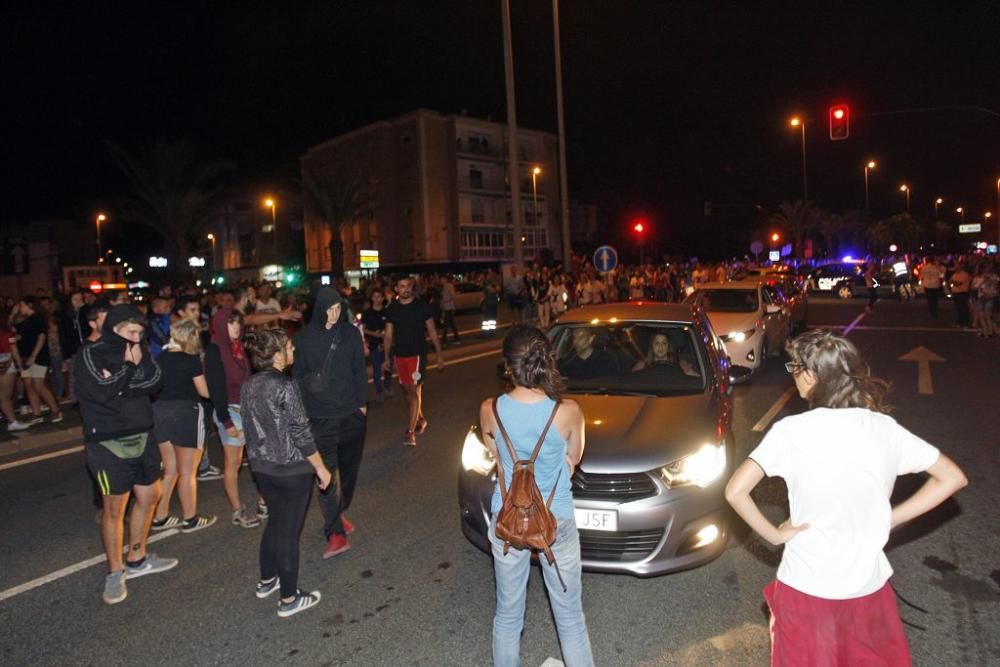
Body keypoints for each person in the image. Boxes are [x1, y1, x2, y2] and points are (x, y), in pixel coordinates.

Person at [725, 329, 968, 665]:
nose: (792, 377)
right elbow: (952, 477)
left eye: (792, 368)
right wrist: (890, 516)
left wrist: (776, 535)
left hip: (806, 586)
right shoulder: (884, 428)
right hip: (868, 588)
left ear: (810, 375)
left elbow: (735, 491)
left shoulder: (790, 432)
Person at [478, 326, 594, 667]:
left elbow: (493, 453)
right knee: (570, 618)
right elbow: (574, 458)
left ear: (508, 366)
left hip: (507, 522)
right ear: (546, 360)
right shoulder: (568, 411)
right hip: (555, 520)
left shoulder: (490, 409)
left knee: (508, 615)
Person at [74, 304, 178, 605]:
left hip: (143, 434)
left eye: (140, 333)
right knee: (114, 509)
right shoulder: (90, 354)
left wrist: (125, 379)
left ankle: (137, 557)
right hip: (107, 441)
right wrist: (129, 371)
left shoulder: (140, 350)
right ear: (115, 329)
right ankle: (114, 571)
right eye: (131, 332)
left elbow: (154, 381)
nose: (137, 337)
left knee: (149, 497)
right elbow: (102, 389)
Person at [242, 327, 331, 617]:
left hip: (262, 467)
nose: (293, 351)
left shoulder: (249, 385)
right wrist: (320, 467)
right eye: (290, 347)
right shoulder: (285, 386)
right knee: (288, 533)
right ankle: (289, 599)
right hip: (292, 469)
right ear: (278, 354)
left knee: (276, 525)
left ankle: (267, 580)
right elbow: (301, 431)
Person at [293, 288, 368, 559]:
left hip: (351, 415)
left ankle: (339, 510)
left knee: (349, 471)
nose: (335, 314)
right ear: (320, 309)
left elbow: (360, 369)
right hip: (321, 418)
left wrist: (362, 406)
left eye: (339, 308)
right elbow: (298, 378)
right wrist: (301, 413)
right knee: (325, 474)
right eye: (330, 308)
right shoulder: (303, 339)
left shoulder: (349, 334)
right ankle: (335, 533)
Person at [149, 320, 217, 533]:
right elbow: (204, 392)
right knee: (188, 470)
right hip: (186, 412)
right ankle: (191, 518)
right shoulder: (191, 359)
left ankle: (160, 516)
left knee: (170, 470)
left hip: (160, 411)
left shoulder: (159, 358)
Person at [210, 307, 260, 528]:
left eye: (238, 322)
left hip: (247, 408)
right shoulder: (215, 351)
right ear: (221, 324)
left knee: (259, 456)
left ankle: (264, 500)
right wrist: (225, 420)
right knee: (234, 462)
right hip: (229, 410)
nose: (236, 326)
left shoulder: (239, 348)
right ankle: (237, 510)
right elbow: (216, 389)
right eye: (231, 322)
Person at [383, 276, 444, 447]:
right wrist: (386, 357)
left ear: (412, 287)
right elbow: (388, 334)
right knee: (408, 392)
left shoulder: (421, 306)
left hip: (417, 355)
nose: (405, 289)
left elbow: (432, 331)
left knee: (414, 390)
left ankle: (410, 433)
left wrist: (439, 354)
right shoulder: (392, 309)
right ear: (396, 289)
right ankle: (421, 419)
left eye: (408, 286)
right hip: (400, 355)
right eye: (402, 286)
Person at [14, 296, 63, 423]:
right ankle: (36, 413)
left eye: (22, 305)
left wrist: (33, 356)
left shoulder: (38, 319)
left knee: (38, 385)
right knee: (28, 385)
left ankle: (56, 410)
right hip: (25, 355)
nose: (20, 308)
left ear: (29, 305)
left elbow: (41, 338)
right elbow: (18, 333)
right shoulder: (25, 320)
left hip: (38, 356)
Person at [1, 306, 33, 431]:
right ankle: (12, 422)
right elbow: (13, 348)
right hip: (6, 359)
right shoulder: (7, 330)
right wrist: (19, 365)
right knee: (5, 395)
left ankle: (10, 419)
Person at [630, 331, 699, 379]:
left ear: (668, 347)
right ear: (651, 346)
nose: (660, 347)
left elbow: (697, 380)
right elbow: (630, 381)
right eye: (657, 343)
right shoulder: (642, 365)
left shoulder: (680, 364)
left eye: (664, 343)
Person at [361, 289, 390, 403]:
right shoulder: (367, 313)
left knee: (388, 367)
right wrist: (376, 334)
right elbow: (364, 329)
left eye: (379, 296)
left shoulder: (387, 312)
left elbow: (392, 326)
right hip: (374, 344)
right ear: (372, 298)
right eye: (375, 296)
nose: (377, 299)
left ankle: (388, 385)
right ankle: (379, 391)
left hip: (387, 344)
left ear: (383, 298)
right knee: (377, 370)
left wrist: (385, 333)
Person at [975, 263, 998, 338]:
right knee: (981, 316)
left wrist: (991, 280)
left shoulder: (994, 278)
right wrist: (982, 281)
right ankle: (985, 331)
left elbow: (996, 284)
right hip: (981, 297)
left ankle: (990, 332)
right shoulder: (981, 278)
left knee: (987, 316)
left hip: (989, 297)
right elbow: (976, 286)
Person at [949, 262, 971, 328]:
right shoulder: (955, 274)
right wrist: (953, 282)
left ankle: (965, 323)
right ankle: (959, 322)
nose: (955, 268)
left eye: (957, 266)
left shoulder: (964, 274)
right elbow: (950, 281)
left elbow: (958, 283)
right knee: (958, 309)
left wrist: (953, 282)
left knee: (963, 308)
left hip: (962, 293)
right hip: (956, 293)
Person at [439, 276, 460, 344]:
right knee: (451, 324)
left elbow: (452, 296)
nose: (441, 280)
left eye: (441, 279)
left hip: (449, 307)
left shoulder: (449, 286)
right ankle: (456, 338)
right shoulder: (444, 286)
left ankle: (444, 339)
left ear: (445, 279)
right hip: (446, 307)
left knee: (447, 324)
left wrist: (445, 301)